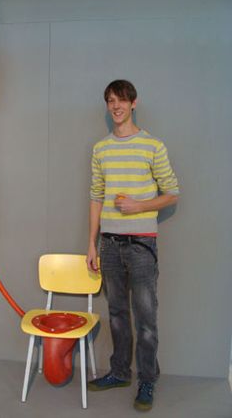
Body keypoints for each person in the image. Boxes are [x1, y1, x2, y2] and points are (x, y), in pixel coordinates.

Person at [86, 79, 179, 411]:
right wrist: (92, 244)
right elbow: (96, 196)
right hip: (109, 244)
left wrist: (138, 206)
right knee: (116, 314)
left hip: (141, 244)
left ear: (134, 103)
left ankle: (147, 381)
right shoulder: (101, 149)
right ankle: (120, 372)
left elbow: (172, 193)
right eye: (110, 100)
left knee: (145, 318)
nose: (116, 106)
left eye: (121, 100)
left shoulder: (153, 146)